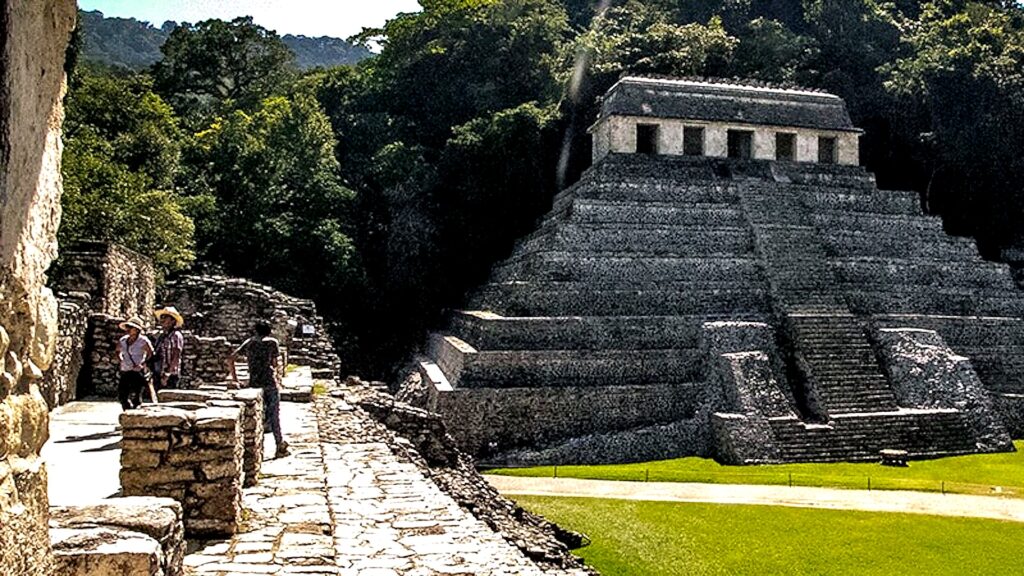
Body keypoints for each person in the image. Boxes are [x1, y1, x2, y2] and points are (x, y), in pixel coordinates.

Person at [229, 320, 289, 458]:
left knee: (256, 416)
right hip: (269, 382)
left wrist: (235, 379)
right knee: (274, 415)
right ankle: (279, 444)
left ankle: (255, 450)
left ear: (255, 330)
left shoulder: (249, 342)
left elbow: (231, 358)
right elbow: (274, 363)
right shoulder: (272, 342)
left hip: (254, 383)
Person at [114, 317, 153, 410]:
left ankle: (136, 413)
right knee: (122, 395)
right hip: (125, 370)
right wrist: (121, 360)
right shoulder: (123, 340)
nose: (128, 329)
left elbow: (150, 353)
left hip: (137, 371)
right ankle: (127, 411)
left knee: (136, 395)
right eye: (128, 327)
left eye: (130, 327)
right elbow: (117, 351)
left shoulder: (143, 341)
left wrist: (143, 363)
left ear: (137, 330)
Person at [152, 306, 185, 391]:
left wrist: (167, 374)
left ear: (173, 321)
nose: (162, 320)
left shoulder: (176, 336)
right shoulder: (162, 336)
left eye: (165, 317)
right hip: (159, 372)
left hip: (170, 375)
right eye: (162, 317)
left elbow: (176, 355)